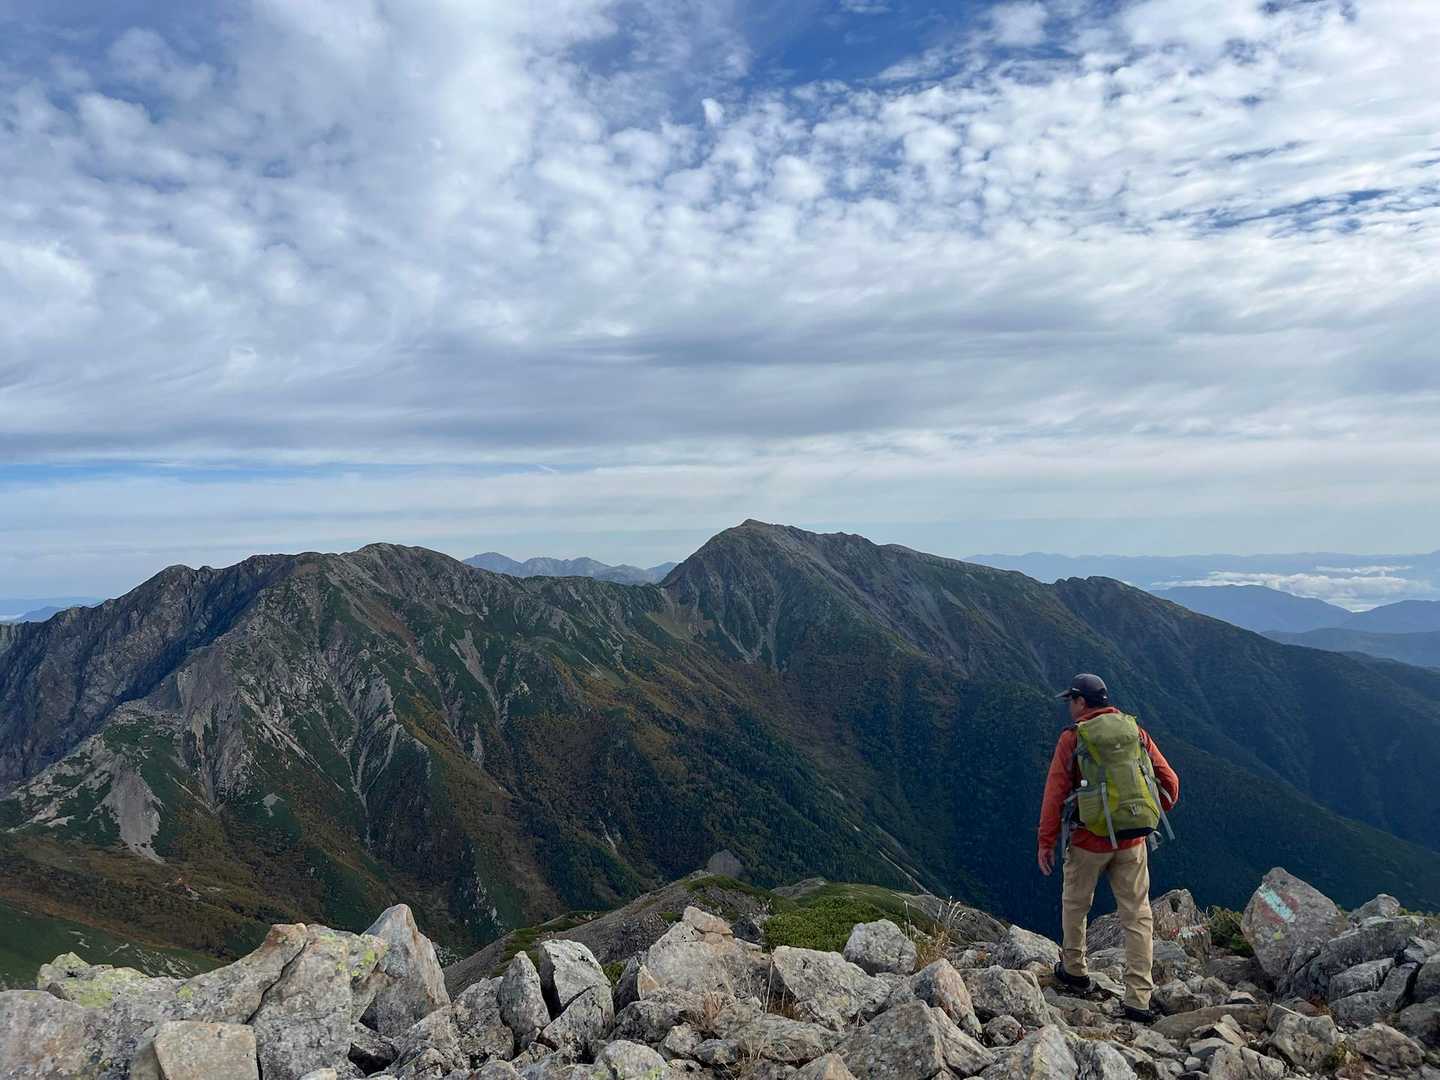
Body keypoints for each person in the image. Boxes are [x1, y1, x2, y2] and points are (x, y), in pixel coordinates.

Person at [1036, 673, 1179, 1023]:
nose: (1069, 707)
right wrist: (1149, 812)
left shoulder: (1073, 738)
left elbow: (1055, 793)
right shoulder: (1135, 731)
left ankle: (1074, 971)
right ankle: (1138, 999)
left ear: (1081, 702)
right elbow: (1170, 782)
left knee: (1076, 904)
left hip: (1088, 841)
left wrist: (1046, 841)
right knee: (1137, 916)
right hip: (1133, 841)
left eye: (1071, 700)